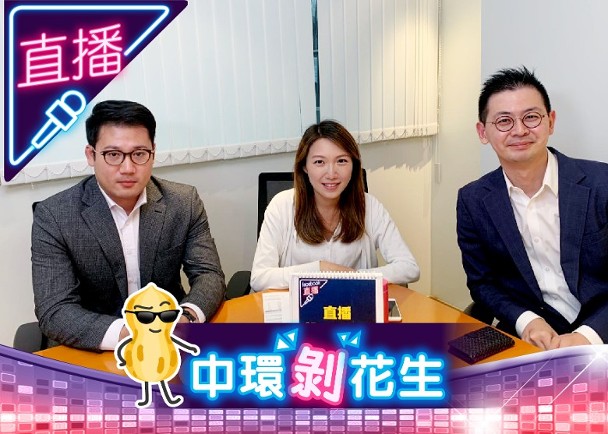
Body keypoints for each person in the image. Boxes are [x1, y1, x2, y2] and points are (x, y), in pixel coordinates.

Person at [31, 100, 226, 351]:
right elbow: (55, 310)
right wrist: (134, 333)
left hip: (172, 339)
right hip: (96, 348)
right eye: (113, 155)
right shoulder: (55, 216)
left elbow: (209, 275)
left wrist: (186, 317)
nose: (128, 168)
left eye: (139, 154)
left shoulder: (183, 202)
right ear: (91, 155)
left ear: (152, 152)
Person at [457, 66, 608, 350]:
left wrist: (586, 336)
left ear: (551, 122)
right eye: (504, 121)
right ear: (483, 132)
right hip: (532, 336)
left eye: (531, 117)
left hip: (600, 330)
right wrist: (526, 320)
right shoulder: (473, 200)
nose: (519, 130)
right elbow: (483, 283)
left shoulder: (602, 184)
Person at [250, 119, 420, 292]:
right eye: (319, 162)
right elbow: (259, 278)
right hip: (299, 306)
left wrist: (352, 277)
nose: (331, 174)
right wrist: (319, 269)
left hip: (354, 304)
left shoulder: (369, 206)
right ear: (304, 167)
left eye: (341, 161)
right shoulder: (281, 206)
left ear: (353, 165)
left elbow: (409, 268)